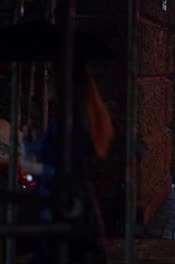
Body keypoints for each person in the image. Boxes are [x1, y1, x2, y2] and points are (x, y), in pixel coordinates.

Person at [20, 61, 114, 264]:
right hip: (74, 206)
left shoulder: (70, 118)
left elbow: (62, 166)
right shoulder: (80, 114)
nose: (49, 82)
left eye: (52, 76)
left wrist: (32, 162)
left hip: (67, 208)